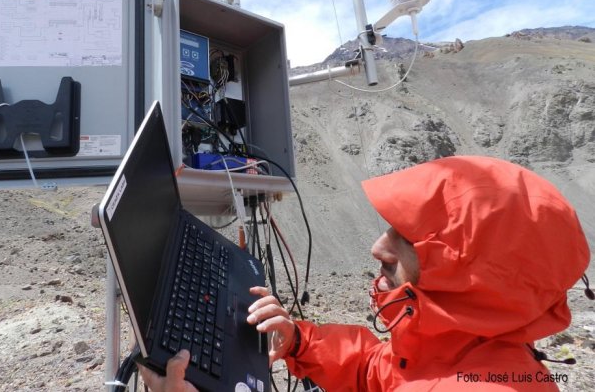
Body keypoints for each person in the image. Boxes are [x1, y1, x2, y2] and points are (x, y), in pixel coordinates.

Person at [139, 155, 591, 391]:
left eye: (407, 239)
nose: (379, 247)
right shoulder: (463, 347)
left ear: (474, 277)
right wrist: (298, 340)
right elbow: (379, 371)